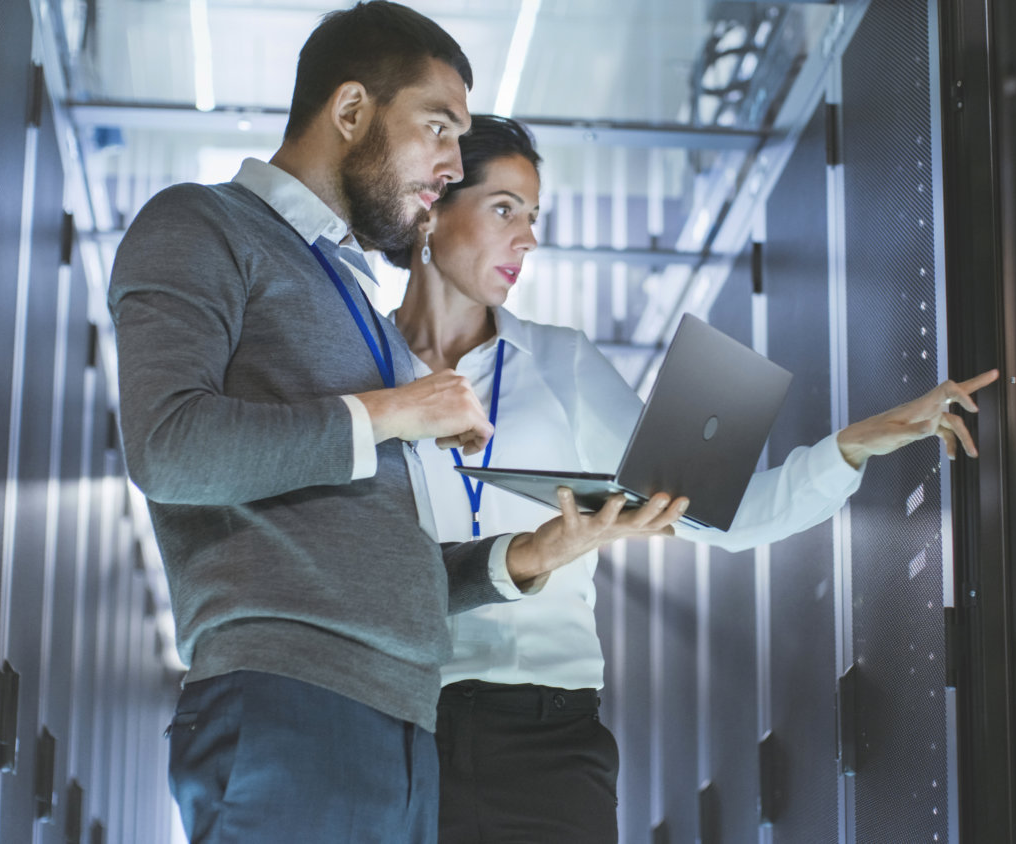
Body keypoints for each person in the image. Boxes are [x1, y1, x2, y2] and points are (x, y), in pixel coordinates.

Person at [107, 6, 684, 842]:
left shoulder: (357, 308)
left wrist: (531, 557)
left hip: (405, 726)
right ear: (350, 112)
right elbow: (169, 447)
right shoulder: (202, 225)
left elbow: (383, 560)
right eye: (438, 128)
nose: (451, 165)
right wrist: (396, 410)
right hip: (290, 702)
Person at [386, 114, 1000, 843]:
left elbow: (720, 515)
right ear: (433, 207)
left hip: (547, 737)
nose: (528, 238)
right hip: (398, 727)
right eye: (504, 209)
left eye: (535, 217)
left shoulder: (562, 364)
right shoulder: (361, 371)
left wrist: (852, 447)